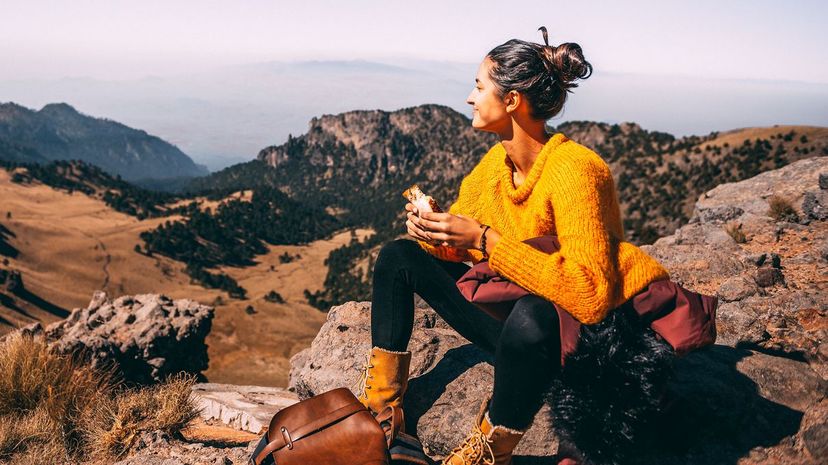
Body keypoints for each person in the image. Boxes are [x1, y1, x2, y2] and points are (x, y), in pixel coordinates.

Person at [354, 26, 671, 465]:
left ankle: (489, 452)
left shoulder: (576, 170)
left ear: (511, 101)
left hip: (574, 339)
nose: (469, 97)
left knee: (532, 313)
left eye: (479, 85)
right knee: (397, 257)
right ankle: (381, 413)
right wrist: (437, 233)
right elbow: (462, 252)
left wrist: (485, 239)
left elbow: (590, 295)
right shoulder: (495, 167)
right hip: (515, 326)